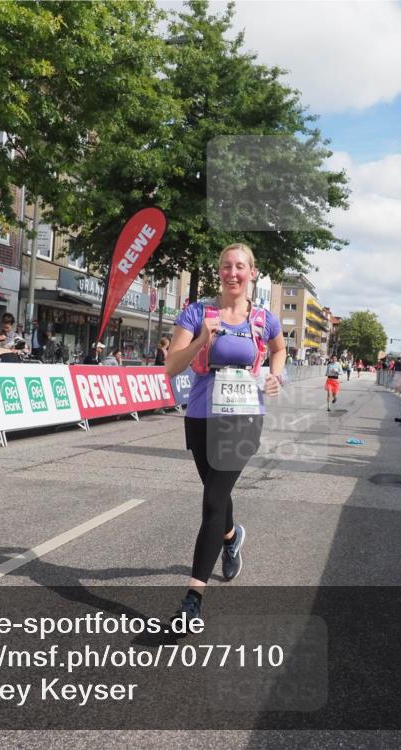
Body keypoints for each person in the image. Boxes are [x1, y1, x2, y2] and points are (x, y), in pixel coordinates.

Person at [165, 243, 285, 627]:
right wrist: (201, 338)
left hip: (245, 417)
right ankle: (231, 538)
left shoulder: (265, 318)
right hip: (201, 415)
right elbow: (172, 366)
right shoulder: (196, 312)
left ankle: (193, 599)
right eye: (225, 267)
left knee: (213, 499)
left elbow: (280, 350)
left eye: (240, 267)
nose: (232, 273)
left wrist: (275, 375)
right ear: (219, 271)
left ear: (252, 272)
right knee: (217, 494)